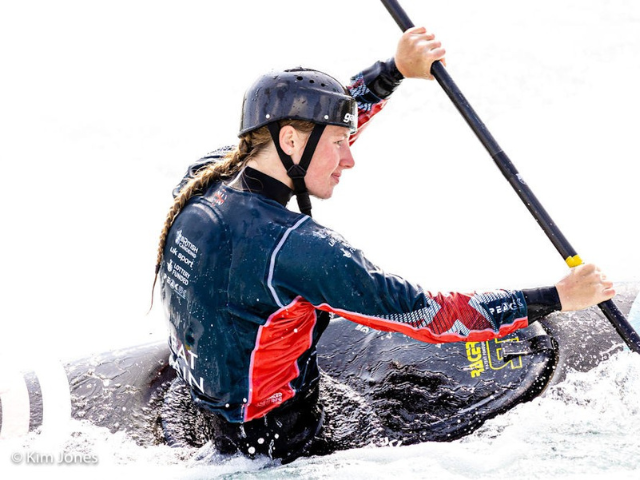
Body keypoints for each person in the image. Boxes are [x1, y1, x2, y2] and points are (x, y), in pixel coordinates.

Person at [152, 27, 615, 463]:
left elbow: (314, 127)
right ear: (289, 141)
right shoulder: (294, 249)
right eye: (339, 142)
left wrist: (392, 70)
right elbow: (429, 315)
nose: (349, 159)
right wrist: (557, 298)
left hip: (207, 404)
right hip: (277, 444)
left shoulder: (205, 179)